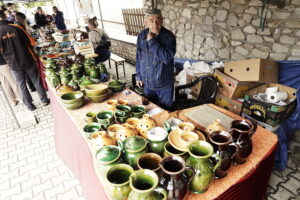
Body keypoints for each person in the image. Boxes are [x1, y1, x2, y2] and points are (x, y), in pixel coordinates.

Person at [0, 10, 49, 111]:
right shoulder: (16, 27)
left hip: (13, 64)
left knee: (22, 85)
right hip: (28, 60)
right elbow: (32, 42)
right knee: (36, 80)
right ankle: (44, 100)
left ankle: (30, 106)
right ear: (4, 16)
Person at [135, 9, 176, 110]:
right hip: (148, 83)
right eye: (151, 21)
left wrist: (152, 41)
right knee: (148, 110)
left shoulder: (168, 37)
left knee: (165, 111)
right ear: (145, 22)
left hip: (164, 85)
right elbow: (139, 56)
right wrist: (139, 75)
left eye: (158, 20)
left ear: (162, 21)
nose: (155, 24)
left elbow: (166, 58)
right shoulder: (141, 36)